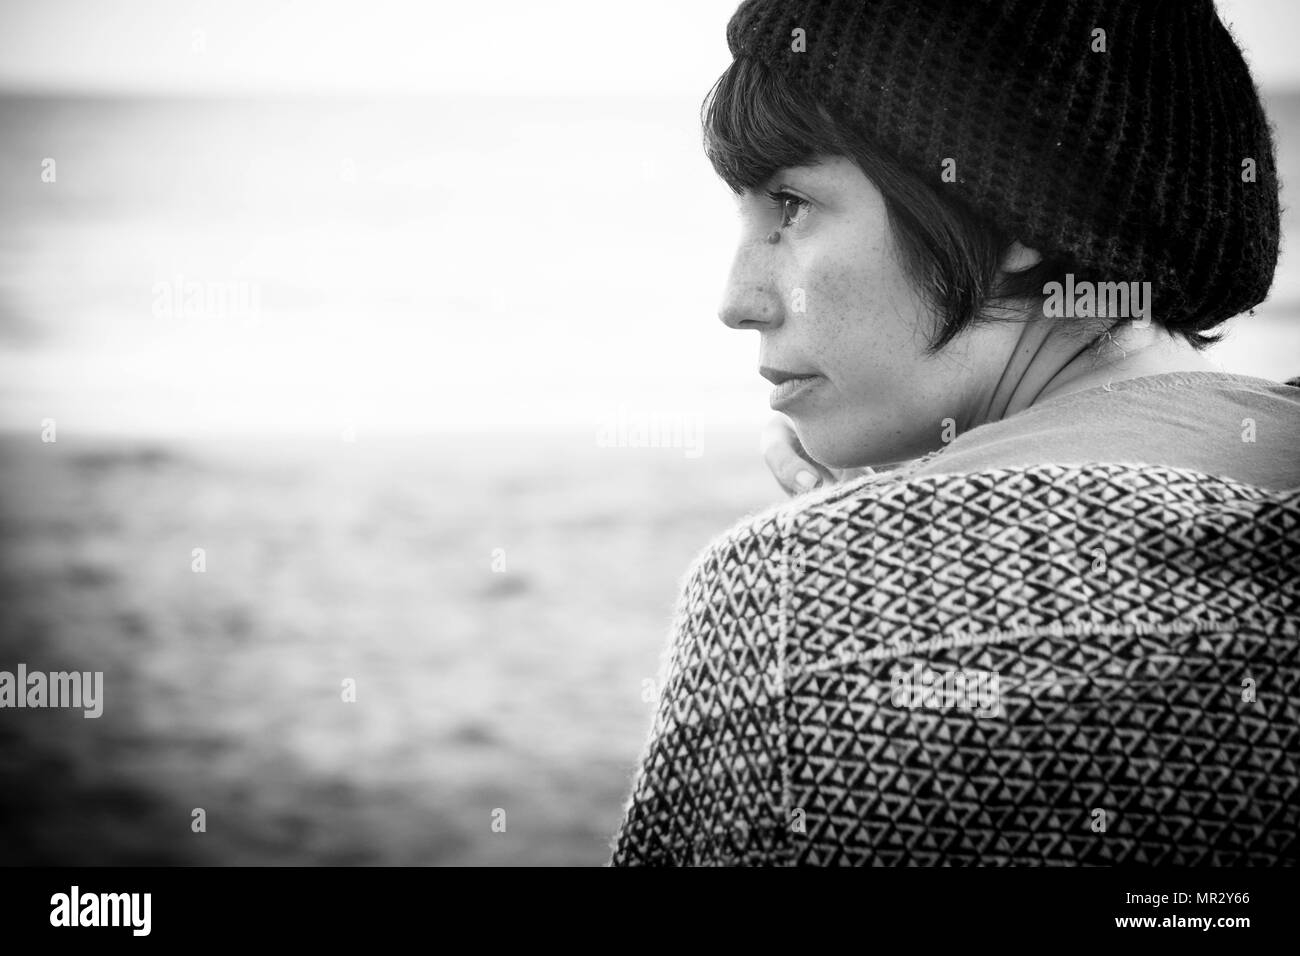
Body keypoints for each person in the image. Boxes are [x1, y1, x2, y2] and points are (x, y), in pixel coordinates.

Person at [609, 0, 1300, 865]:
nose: (737, 300)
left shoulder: (785, 608)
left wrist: (847, 566)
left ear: (1016, 213)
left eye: (791, 204)